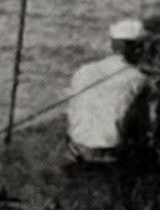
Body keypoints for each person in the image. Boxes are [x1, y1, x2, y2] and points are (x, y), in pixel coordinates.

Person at [64, 18, 150, 166]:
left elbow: (72, 110)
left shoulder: (83, 70)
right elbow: (143, 124)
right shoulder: (139, 79)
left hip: (76, 147)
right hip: (110, 154)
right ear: (138, 49)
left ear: (112, 44)